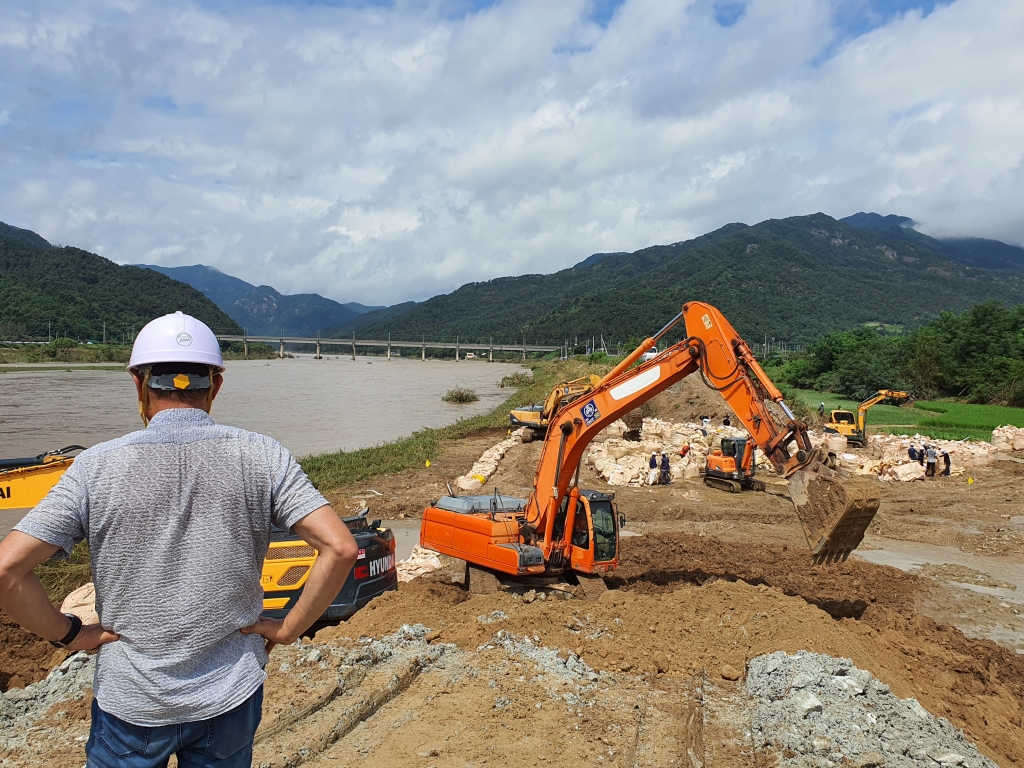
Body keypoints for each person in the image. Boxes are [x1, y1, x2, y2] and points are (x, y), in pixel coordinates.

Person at [0, 312, 359, 768]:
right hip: (229, 693)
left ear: (139, 385)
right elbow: (341, 547)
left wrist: (71, 633)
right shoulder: (263, 454)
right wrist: (289, 629)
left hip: (132, 701)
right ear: (216, 385)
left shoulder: (94, 467)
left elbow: (7, 569)